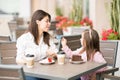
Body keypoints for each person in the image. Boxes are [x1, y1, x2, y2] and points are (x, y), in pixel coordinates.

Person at [16, 10, 58, 80]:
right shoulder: (24, 39)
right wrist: (28, 61)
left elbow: (55, 53)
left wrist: (53, 55)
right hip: (29, 73)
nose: (49, 24)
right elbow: (18, 59)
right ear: (38, 22)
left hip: (45, 72)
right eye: (46, 21)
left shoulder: (48, 38)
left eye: (49, 21)